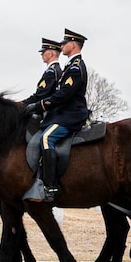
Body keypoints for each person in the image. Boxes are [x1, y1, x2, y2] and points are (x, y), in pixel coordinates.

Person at [24, 28, 90, 202]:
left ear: (73, 45)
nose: (62, 45)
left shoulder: (76, 68)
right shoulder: (70, 66)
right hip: (63, 114)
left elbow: (63, 95)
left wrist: (39, 105)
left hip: (71, 115)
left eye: (65, 42)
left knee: (47, 138)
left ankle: (50, 186)